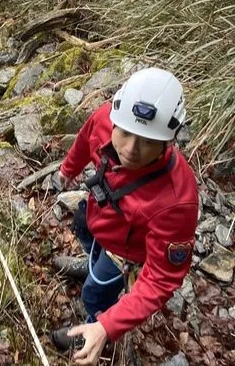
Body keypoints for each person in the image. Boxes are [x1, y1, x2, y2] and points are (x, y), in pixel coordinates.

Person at [50, 67, 198, 365]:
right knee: (82, 226)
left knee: (94, 293)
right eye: (126, 133)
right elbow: (83, 141)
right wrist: (67, 170)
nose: (131, 149)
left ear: (167, 141)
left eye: (146, 140)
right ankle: (89, 263)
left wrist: (107, 326)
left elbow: (160, 279)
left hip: (124, 250)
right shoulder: (107, 118)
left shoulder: (177, 200)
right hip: (100, 216)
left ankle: (90, 329)